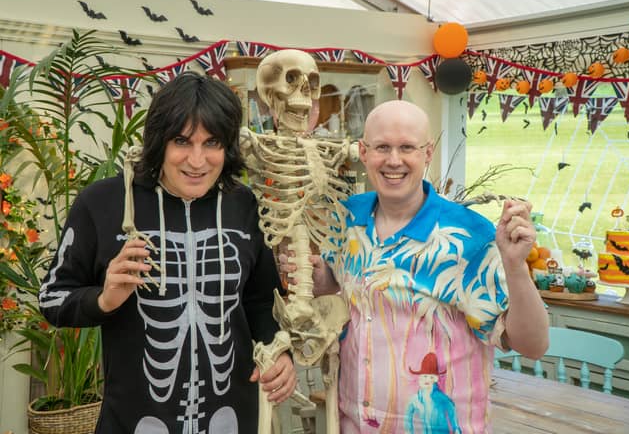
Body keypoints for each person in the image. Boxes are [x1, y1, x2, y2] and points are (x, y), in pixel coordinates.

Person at [38, 72, 296, 433]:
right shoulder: (104, 202)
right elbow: (52, 298)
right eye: (181, 141)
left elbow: (259, 301)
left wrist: (279, 350)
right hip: (135, 420)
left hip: (232, 417)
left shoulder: (244, 205)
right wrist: (104, 299)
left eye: (213, 143)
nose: (197, 160)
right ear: (159, 141)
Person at [280, 100, 549, 433]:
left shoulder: (468, 237)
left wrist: (515, 267)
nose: (394, 160)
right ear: (364, 152)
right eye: (382, 147)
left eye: (407, 147)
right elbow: (339, 280)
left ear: (428, 152)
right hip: (354, 424)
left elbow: (533, 345)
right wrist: (314, 274)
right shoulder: (348, 217)